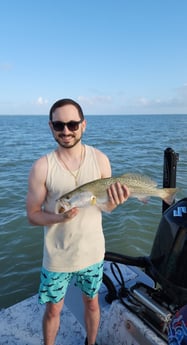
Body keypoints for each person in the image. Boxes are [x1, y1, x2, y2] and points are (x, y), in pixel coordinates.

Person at [26, 98, 129, 345]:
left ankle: (90, 343)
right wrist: (58, 218)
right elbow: (32, 214)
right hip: (57, 257)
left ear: (84, 125)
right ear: (51, 127)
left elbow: (106, 206)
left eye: (72, 124)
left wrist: (116, 200)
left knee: (92, 304)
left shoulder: (101, 160)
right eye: (59, 125)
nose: (66, 131)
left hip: (91, 253)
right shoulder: (42, 167)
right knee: (53, 310)